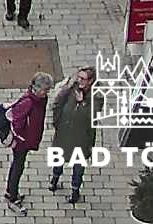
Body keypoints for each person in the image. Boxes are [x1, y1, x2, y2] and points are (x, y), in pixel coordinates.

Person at [4, 73, 55, 213]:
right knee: (17, 167)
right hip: (21, 143)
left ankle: (11, 191)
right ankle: (11, 197)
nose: (47, 93)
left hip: (26, 141)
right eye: (45, 90)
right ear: (36, 88)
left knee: (18, 165)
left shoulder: (38, 100)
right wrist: (20, 139)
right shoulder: (28, 102)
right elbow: (16, 123)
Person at [48, 67, 97, 204]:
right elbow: (57, 103)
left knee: (78, 166)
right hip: (64, 132)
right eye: (79, 77)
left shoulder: (96, 96)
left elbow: (92, 116)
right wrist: (66, 88)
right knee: (58, 158)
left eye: (83, 79)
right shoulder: (72, 89)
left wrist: (82, 103)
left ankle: (75, 191)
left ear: (91, 81)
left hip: (81, 137)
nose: (79, 81)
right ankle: (54, 180)